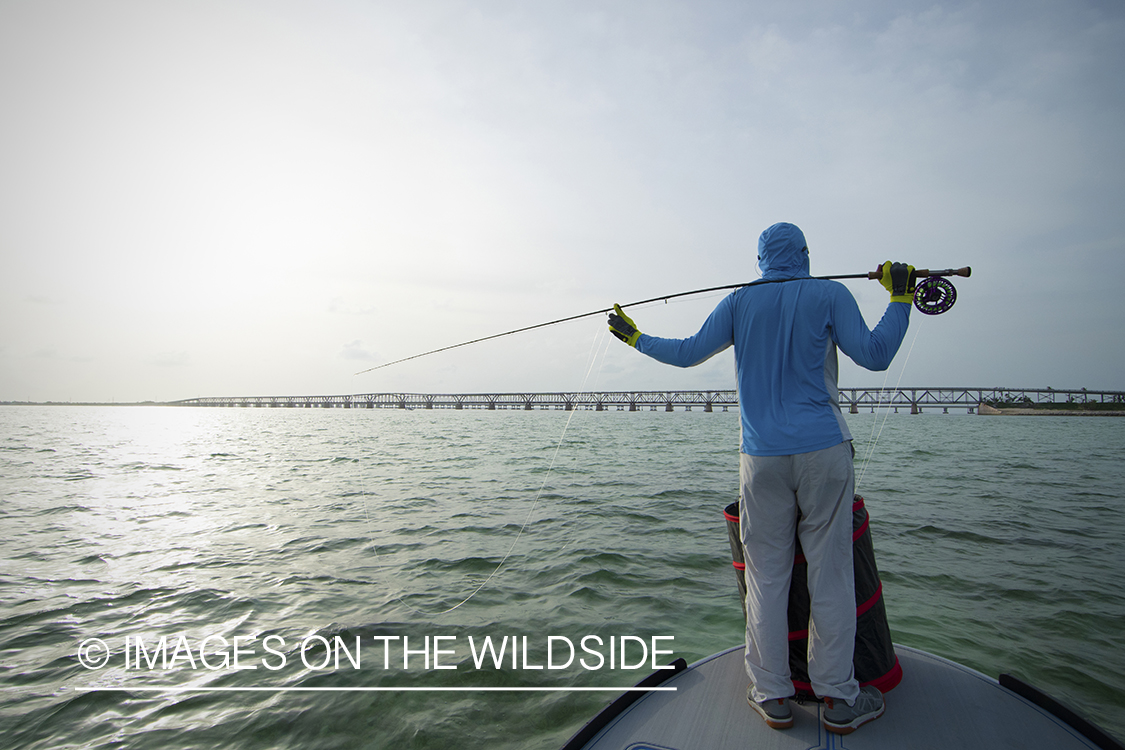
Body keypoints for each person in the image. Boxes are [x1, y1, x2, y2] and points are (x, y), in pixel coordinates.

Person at [607, 222, 913, 735]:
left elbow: (685, 353)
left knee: (766, 577)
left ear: (761, 261)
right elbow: (876, 355)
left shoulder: (737, 303)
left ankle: (772, 693)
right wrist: (900, 297)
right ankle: (839, 698)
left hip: (761, 460)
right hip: (824, 452)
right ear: (806, 254)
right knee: (831, 575)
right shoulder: (830, 293)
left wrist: (636, 336)